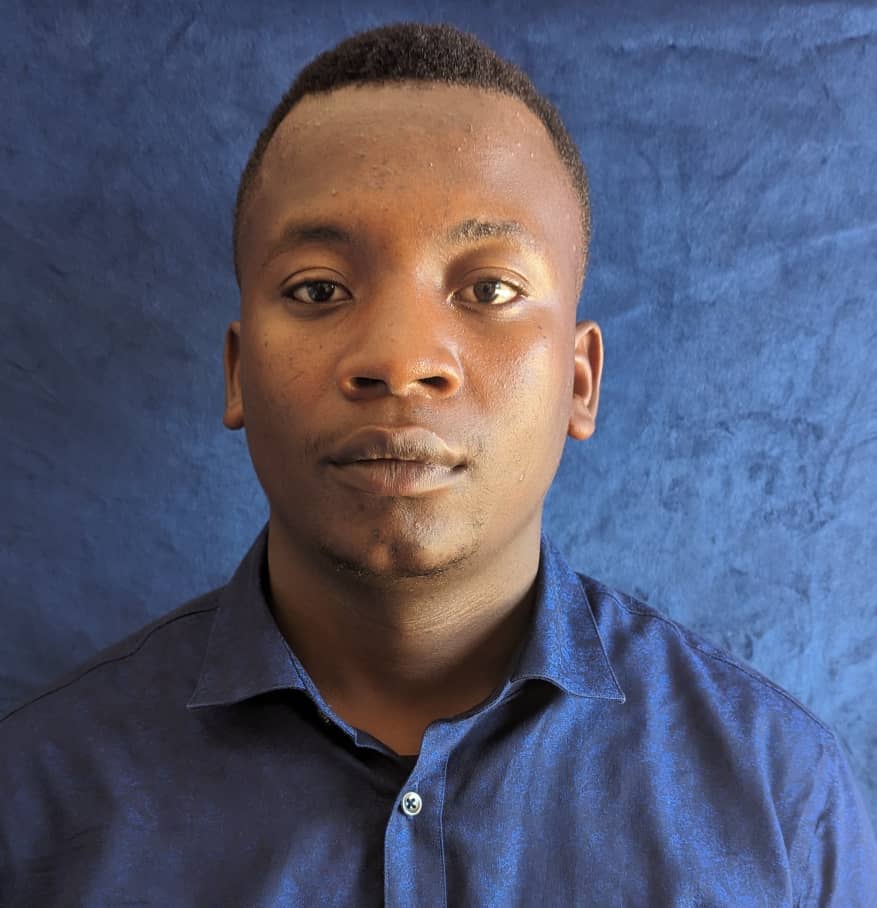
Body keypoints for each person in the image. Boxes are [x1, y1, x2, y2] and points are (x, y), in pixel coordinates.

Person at [2, 21, 875, 907]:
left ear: (579, 382)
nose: (399, 359)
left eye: (488, 289)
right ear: (237, 374)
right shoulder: (33, 806)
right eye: (318, 289)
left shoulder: (779, 803)